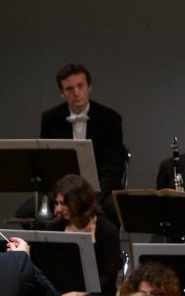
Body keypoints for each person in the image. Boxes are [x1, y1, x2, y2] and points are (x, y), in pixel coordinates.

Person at [32, 174, 121, 296]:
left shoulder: (107, 230)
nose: (57, 210)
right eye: (57, 203)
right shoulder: (55, 228)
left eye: (63, 204)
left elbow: (109, 277)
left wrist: (78, 294)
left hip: (99, 295)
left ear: (78, 202)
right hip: (63, 292)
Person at [40, 63, 126, 209]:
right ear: (62, 93)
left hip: (99, 191)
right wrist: (61, 197)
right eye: (69, 88)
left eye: (81, 86)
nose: (76, 93)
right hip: (62, 192)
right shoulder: (50, 118)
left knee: (113, 208)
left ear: (89, 87)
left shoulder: (110, 118)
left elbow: (113, 166)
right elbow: (47, 162)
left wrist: (93, 197)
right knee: (26, 211)